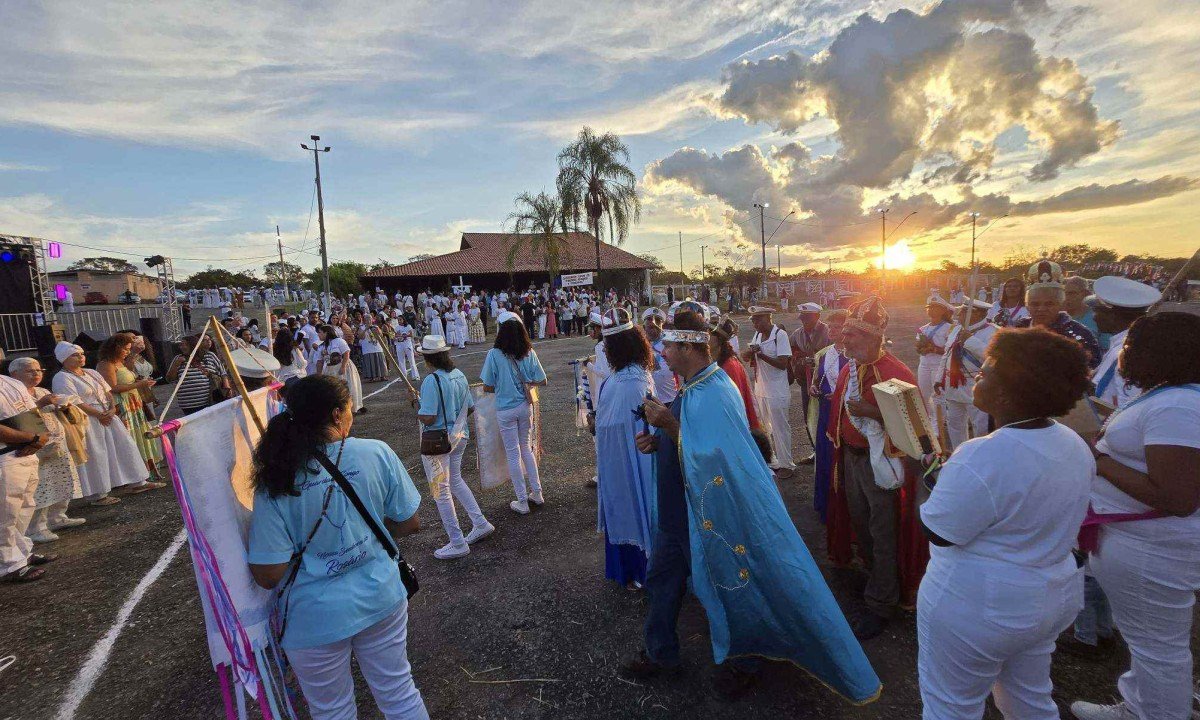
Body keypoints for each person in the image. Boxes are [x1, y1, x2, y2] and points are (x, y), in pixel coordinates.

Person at [618, 309, 881, 704]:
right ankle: (661, 653)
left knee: (725, 588)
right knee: (663, 583)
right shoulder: (691, 387)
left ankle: (747, 662)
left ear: (690, 347)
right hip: (678, 516)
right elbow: (695, 442)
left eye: (669, 346)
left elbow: (719, 455)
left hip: (712, 520)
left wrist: (670, 428)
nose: (662, 353)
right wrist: (658, 444)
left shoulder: (716, 388)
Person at [918, 328, 1093, 719]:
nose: (978, 372)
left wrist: (928, 479)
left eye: (990, 368)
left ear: (1010, 390)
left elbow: (940, 532)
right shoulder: (1071, 441)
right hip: (1050, 595)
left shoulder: (981, 454)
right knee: (1029, 697)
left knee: (950, 705)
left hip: (983, 605)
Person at [246, 375, 427, 720]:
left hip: (312, 617)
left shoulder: (277, 478)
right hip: (381, 596)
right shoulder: (376, 452)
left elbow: (268, 574)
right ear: (335, 414)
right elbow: (410, 522)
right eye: (348, 409)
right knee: (399, 693)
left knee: (332, 711)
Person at [1068, 312, 1200, 720]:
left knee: (1157, 647)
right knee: (1152, 641)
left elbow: (1177, 497)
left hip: (1151, 548)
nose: (1123, 352)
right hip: (1145, 542)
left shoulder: (1178, 405)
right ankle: (1142, 704)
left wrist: (1097, 458)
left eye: (1130, 346)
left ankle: (1157, 712)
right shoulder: (1173, 396)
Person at [826, 297, 927, 640]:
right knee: (862, 525)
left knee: (884, 532)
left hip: (882, 465)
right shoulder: (848, 367)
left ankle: (882, 603)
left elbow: (916, 434)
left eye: (852, 334)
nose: (844, 338)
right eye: (845, 332)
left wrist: (873, 413)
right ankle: (874, 580)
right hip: (851, 459)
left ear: (874, 338)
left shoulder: (898, 374)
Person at [413, 335, 492, 560]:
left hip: (438, 440)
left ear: (428, 358)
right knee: (455, 480)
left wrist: (416, 406)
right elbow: (468, 407)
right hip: (459, 436)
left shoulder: (431, 381)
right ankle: (479, 522)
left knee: (441, 490)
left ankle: (457, 542)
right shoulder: (459, 375)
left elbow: (427, 417)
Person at [594, 309, 657, 588]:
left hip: (625, 457)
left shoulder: (628, 381)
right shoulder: (634, 376)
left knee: (629, 503)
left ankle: (635, 571)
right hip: (625, 455)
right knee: (631, 503)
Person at [51, 342, 150, 505]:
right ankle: (98, 494)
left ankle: (137, 481)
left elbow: (107, 392)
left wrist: (111, 409)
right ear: (64, 359)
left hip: (107, 414)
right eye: (75, 355)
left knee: (124, 445)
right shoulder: (62, 377)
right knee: (97, 453)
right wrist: (98, 415)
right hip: (88, 419)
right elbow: (74, 402)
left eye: (81, 354)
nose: (81, 357)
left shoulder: (90, 372)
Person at [7, 358, 85, 543]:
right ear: (14, 375)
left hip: (57, 442)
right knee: (40, 487)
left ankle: (57, 517)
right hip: (33, 446)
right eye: (30, 371)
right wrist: (40, 404)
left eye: (39, 370)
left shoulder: (42, 390)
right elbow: (16, 419)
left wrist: (64, 406)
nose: (36, 374)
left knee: (62, 481)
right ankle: (36, 528)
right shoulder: (13, 394)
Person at [0, 351, 60, 583]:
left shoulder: (11, 382)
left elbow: (30, 413)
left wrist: (37, 439)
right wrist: (32, 438)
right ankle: (8, 564)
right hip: (5, 456)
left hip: (25, 453)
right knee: (5, 513)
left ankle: (21, 552)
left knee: (23, 508)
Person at [480, 312, 547, 515]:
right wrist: (526, 384)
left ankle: (521, 500)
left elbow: (487, 387)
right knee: (526, 448)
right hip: (524, 406)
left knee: (513, 453)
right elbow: (542, 380)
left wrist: (503, 386)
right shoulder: (529, 352)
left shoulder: (493, 354)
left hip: (505, 410)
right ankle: (537, 492)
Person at [96, 334, 166, 485]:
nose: (128, 352)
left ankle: (145, 473)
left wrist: (141, 382)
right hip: (124, 404)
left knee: (140, 435)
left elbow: (128, 380)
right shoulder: (106, 364)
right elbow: (112, 387)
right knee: (130, 437)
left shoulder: (120, 362)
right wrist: (138, 385)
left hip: (134, 403)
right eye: (126, 349)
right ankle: (135, 478)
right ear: (116, 348)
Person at [936, 300, 998, 452]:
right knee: (955, 425)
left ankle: (980, 455)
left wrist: (970, 340)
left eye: (963, 311)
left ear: (976, 313)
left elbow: (992, 358)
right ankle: (960, 453)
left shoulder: (993, 331)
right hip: (954, 385)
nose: (959, 314)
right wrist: (939, 378)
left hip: (976, 385)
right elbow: (946, 355)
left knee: (981, 427)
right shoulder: (956, 329)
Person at [1017, 260, 1103, 369]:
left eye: (1049, 304)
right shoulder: (1018, 328)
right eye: (1035, 304)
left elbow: (1091, 374)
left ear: (1061, 304)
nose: (1041, 309)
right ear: (1027, 305)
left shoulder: (1080, 334)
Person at [743, 306, 794, 478]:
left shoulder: (780, 335)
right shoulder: (757, 335)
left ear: (768, 318)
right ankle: (773, 461)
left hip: (777, 390)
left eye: (758, 320)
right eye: (753, 321)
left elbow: (783, 364)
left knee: (781, 429)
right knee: (765, 428)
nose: (755, 324)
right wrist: (750, 352)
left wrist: (761, 354)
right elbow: (746, 356)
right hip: (761, 388)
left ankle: (787, 464)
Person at [807, 309, 849, 523]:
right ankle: (825, 504)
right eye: (830, 326)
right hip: (825, 410)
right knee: (824, 455)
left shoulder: (852, 355)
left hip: (844, 414)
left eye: (837, 327)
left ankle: (842, 509)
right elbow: (816, 379)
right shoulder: (824, 353)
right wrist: (813, 388)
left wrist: (841, 395)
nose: (832, 330)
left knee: (840, 459)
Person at [709, 317, 758, 430]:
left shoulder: (730, 365)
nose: (705, 338)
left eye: (709, 334)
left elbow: (735, 403)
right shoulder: (719, 361)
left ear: (719, 339)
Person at [166, 332, 231, 416]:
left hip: (210, 400)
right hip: (188, 403)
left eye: (185, 344)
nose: (182, 347)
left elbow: (223, 372)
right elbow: (169, 379)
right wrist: (176, 364)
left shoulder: (209, 355)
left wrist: (227, 388)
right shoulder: (178, 359)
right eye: (181, 345)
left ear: (193, 345)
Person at [916, 297, 954, 418]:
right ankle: (929, 421)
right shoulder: (922, 329)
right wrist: (921, 348)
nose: (931, 309)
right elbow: (918, 348)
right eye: (929, 307)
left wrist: (933, 349)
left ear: (943, 310)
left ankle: (939, 426)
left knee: (938, 396)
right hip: (924, 364)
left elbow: (951, 351)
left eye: (934, 307)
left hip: (940, 366)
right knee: (924, 395)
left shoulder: (950, 327)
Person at [318, 325, 365, 415]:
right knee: (334, 390)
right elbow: (319, 361)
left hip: (344, 367)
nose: (318, 335)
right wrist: (319, 374)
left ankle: (352, 408)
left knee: (348, 387)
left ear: (326, 333)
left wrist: (343, 366)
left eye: (320, 332)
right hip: (330, 369)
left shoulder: (339, 341)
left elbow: (346, 353)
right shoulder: (322, 346)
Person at [1065, 276, 1111, 349]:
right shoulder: (1058, 316)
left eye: (1072, 293)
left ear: (1085, 293)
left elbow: (1107, 348)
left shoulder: (1098, 318)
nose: (1066, 297)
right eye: (1064, 293)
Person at [273, 327, 308, 391]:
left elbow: (275, 370)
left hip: (283, 380)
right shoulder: (294, 349)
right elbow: (302, 363)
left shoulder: (275, 350)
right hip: (298, 377)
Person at [392, 313, 421, 381]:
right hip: (399, 345)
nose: (399, 321)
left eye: (400, 320)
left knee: (411, 360)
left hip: (407, 345)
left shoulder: (408, 326)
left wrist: (404, 336)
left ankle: (415, 376)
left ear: (403, 320)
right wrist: (396, 337)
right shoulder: (396, 328)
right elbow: (395, 336)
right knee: (401, 361)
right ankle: (403, 377)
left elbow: (411, 335)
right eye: (398, 320)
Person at [358, 319, 388, 383]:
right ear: (364, 320)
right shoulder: (362, 328)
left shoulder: (375, 326)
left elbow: (381, 335)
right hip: (367, 348)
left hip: (377, 347)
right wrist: (366, 329)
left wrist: (377, 330)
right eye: (367, 319)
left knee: (380, 362)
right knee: (369, 362)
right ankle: (372, 377)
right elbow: (360, 337)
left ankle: (382, 376)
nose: (368, 321)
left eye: (369, 319)